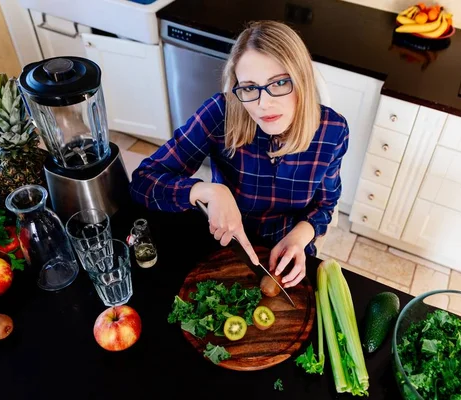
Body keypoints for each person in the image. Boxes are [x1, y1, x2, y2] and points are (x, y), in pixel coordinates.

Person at [129, 20, 349, 289]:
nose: (262, 103)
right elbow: (143, 181)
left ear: (302, 80)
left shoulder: (332, 131)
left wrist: (301, 236)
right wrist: (206, 191)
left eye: (279, 83)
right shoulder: (220, 113)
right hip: (224, 244)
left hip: (285, 250)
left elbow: (326, 204)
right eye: (249, 87)